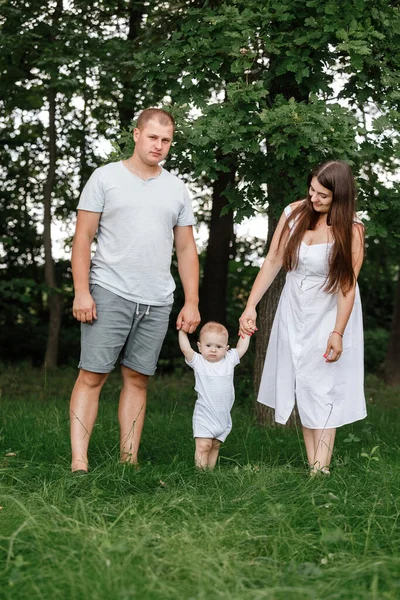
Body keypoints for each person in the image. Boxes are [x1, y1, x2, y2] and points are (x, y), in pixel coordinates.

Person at [70, 107, 200, 473]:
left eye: (167, 140)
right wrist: (82, 291)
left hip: (157, 300)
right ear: (136, 134)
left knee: (138, 379)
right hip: (109, 289)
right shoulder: (105, 178)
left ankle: (129, 462)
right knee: (92, 375)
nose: (159, 146)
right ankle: (79, 462)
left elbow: (187, 249)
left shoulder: (176, 189)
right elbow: (83, 238)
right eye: (153, 137)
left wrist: (191, 301)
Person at [239, 160, 366, 476]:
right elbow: (273, 260)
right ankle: (315, 467)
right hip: (293, 309)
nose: (314, 199)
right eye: (312, 191)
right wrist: (250, 305)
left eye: (323, 195)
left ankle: (320, 469)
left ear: (340, 195)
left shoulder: (352, 229)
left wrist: (337, 332)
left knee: (323, 388)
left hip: (329, 313)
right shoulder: (293, 214)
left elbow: (348, 286)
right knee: (305, 387)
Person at [179, 322, 250, 469]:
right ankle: (201, 475)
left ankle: (209, 475)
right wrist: (182, 331)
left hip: (222, 416)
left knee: (215, 445)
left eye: (218, 347)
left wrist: (247, 331)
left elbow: (242, 347)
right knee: (203, 445)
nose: (213, 350)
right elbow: (186, 349)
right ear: (199, 346)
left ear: (226, 348)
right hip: (205, 415)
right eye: (208, 345)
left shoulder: (229, 360)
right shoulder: (199, 362)